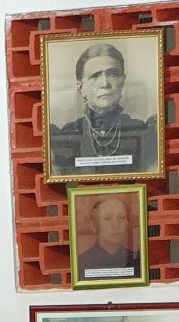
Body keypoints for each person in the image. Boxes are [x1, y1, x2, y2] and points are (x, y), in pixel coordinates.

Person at [48, 43, 157, 175]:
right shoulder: (67, 135)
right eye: (95, 76)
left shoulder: (143, 132)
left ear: (122, 81)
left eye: (112, 74)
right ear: (81, 87)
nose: (105, 84)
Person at [74, 194, 141, 280]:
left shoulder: (136, 260)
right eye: (107, 218)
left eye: (121, 218)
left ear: (127, 223)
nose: (116, 225)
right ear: (93, 225)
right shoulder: (81, 263)